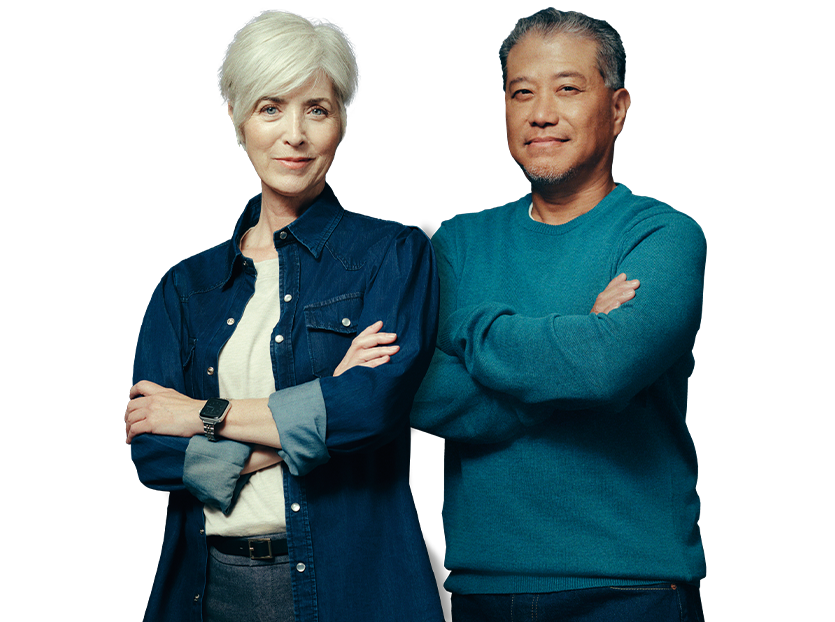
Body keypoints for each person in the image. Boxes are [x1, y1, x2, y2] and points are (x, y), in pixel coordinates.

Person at [124, 9, 444, 622]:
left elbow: (373, 410)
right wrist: (322, 403)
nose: (293, 134)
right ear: (238, 122)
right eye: (270, 107)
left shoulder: (394, 255)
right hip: (209, 585)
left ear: (341, 125)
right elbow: (154, 454)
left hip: (350, 585)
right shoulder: (186, 288)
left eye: (316, 110)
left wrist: (199, 415)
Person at [410, 8, 706, 622]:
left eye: (568, 88)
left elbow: (604, 369)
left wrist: (468, 326)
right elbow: (416, 395)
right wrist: (580, 333)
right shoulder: (456, 246)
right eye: (522, 92)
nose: (541, 111)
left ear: (618, 108)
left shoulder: (665, 238)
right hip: (479, 583)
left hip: (629, 585)